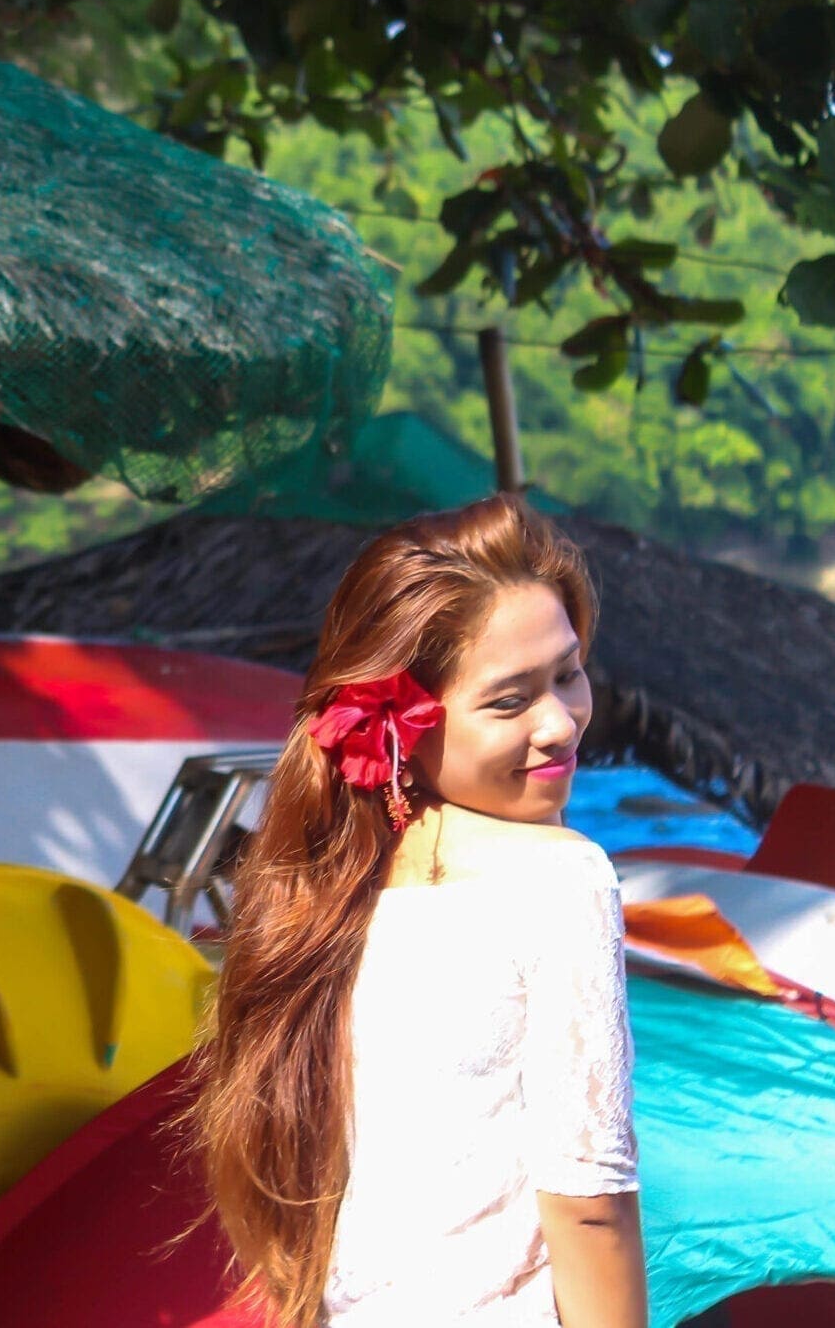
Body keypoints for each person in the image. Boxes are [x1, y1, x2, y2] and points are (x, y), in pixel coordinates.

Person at [186, 494, 647, 1328]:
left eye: (568, 674)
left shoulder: (317, 893)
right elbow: (587, 1197)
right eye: (510, 701)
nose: (561, 723)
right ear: (399, 724)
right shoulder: (562, 876)